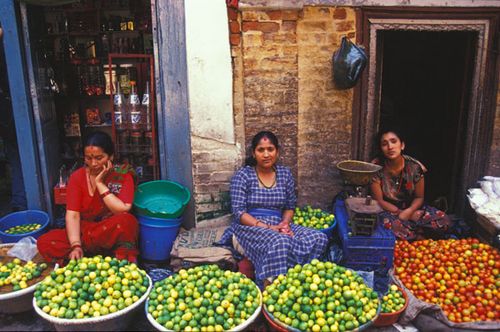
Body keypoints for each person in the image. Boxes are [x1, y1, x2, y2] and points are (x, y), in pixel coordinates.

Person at [218, 131, 328, 286]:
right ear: (253, 153)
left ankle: (296, 279)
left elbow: (290, 206)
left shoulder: (284, 174)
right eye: (260, 150)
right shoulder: (243, 176)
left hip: (278, 224)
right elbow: (239, 213)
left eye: (270, 149)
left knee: (319, 238)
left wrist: (284, 224)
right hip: (249, 227)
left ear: (277, 151)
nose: (266, 154)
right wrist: (269, 227)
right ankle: (269, 289)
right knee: (280, 242)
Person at [38, 131, 139, 264]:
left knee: (127, 221)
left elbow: (122, 210)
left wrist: (100, 184)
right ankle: (83, 257)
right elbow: (72, 215)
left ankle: (118, 260)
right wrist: (76, 245)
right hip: (85, 233)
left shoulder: (122, 175)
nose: (93, 163)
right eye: (88, 158)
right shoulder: (77, 177)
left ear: (111, 157)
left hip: (108, 231)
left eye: (99, 158)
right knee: (44, 242)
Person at [370, 128, 453, 240]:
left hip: (412, 208)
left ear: (402, 145)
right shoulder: (376, 168)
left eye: (394, 141)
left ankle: (412, 234)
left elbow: (419, 197)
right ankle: (418, 235)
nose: (390, 147)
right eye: (385, 144)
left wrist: (410, 211)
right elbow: (379, 200)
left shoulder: (414, 167)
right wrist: (400, 213)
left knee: (444, 220)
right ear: (381, 148)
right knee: (389, 226)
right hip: (388, 211)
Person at [0, 25, 27, 213]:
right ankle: (20, 202)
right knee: (17, 156)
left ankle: (20, 202)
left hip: (8, 113)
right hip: (8, 113)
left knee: (16, 156)